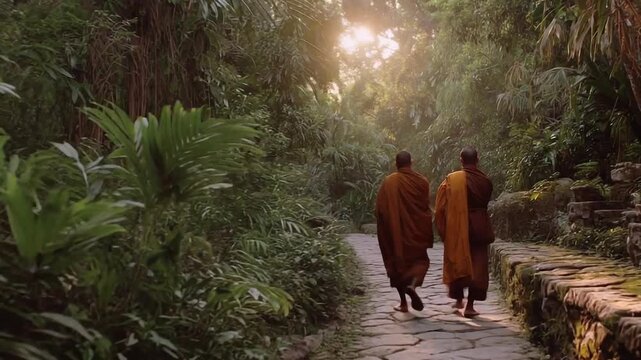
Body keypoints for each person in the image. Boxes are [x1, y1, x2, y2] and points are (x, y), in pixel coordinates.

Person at [434, 146, 494, 318]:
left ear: (461, 160)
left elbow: (440, 208)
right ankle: (469, 305)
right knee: (478, 264)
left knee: (458, 258)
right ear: (478, 159)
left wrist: (444, 229)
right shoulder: (485, 181)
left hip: (457, 226)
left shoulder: (452, 180)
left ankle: (458, 298)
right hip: (480, 225)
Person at [375, 151, 433, 313]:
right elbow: (424, 207)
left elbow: (380, 210)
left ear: (396, 164)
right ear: (411, 162)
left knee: (397, 265)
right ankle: (412, 285)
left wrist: (388, 227)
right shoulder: (421, 182)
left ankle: (403, 303)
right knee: (421, 262)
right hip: (416, 233)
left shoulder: (389, 182)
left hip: (396, 235)